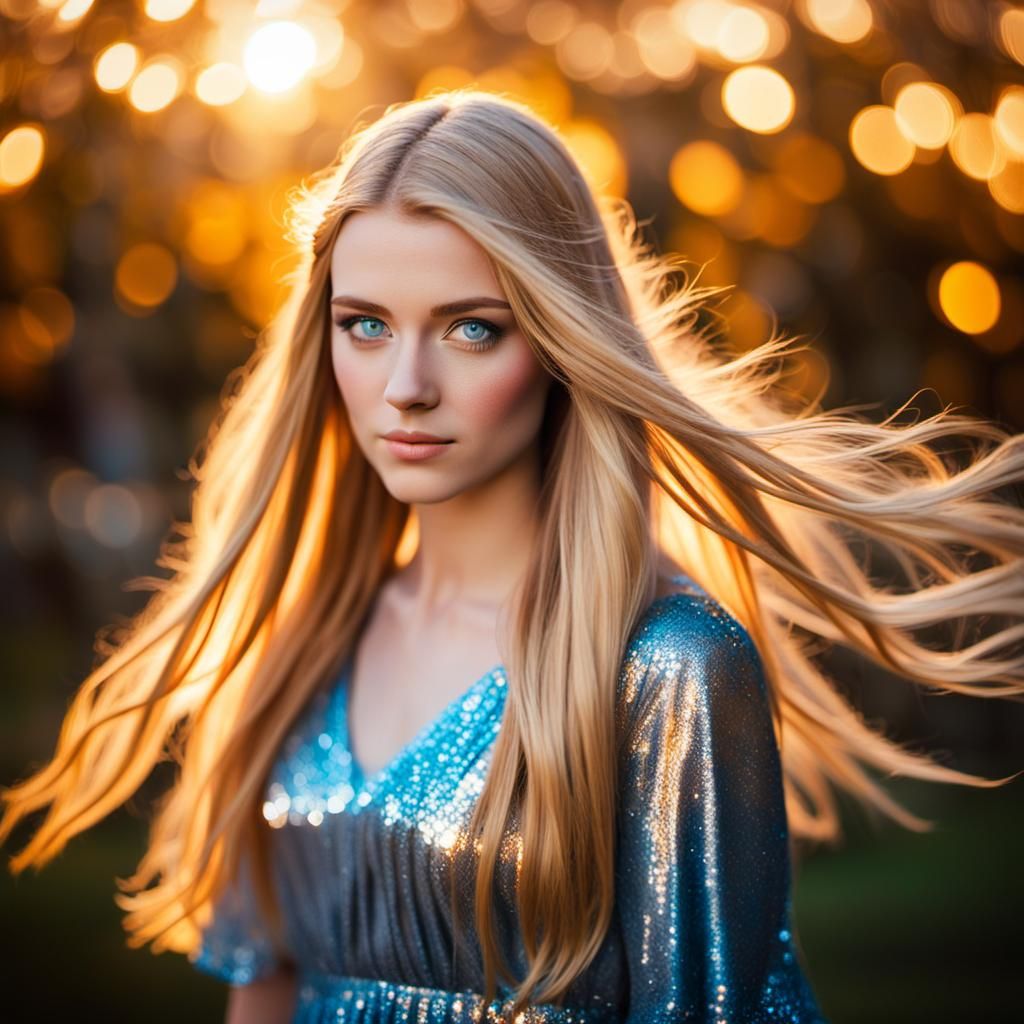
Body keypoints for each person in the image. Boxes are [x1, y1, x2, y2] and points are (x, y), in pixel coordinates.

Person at [2, 89, 1022, 1024]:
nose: (404, 384)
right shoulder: (298, 637)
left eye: (471, 330)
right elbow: (262, 992)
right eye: (364, 325)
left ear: (560, 341)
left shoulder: (667, 666)